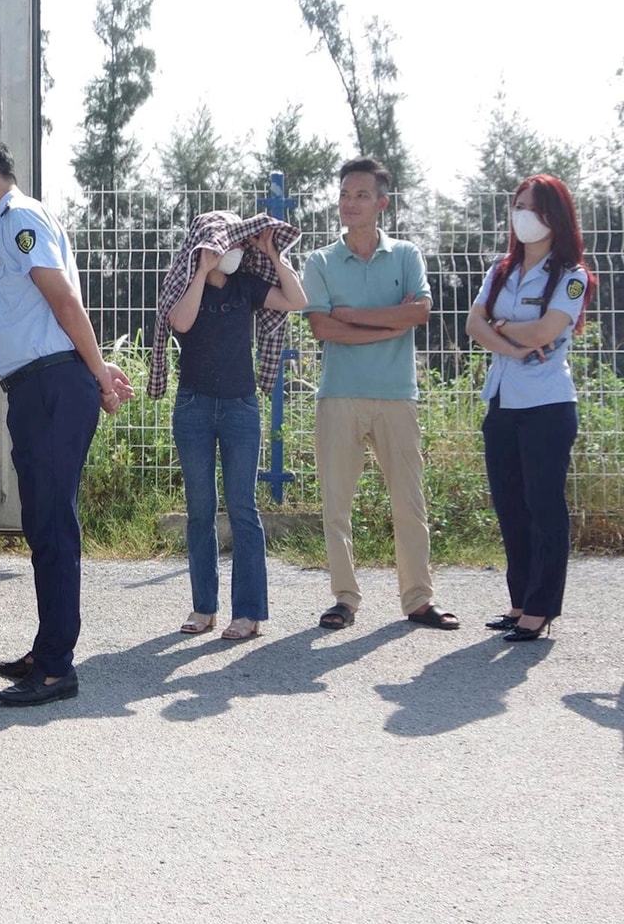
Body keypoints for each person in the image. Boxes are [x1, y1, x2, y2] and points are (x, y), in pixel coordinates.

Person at [0, 138, 134, 706]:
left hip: (53, 384)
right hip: (38, 386)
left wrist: (99, 372)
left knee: (53, 526)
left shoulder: (20, 218)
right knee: (42, 523)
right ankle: (47, 647)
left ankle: (56, 669)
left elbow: (63, 301)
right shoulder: (4, 225)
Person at [301, 157, 459, 631]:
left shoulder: (407, 255)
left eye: (362, 195)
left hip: (396, 395)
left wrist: (353, 317)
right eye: (345, 194)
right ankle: (344, 598)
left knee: (409, 502)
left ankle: (417, 599)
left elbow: (419, 314)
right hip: (339, 396)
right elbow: (322, 326)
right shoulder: (320, 261)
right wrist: (383, 321)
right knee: (336, 504)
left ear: (382, 203)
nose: (350, 203)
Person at [149, 211, 308, 640]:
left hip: (240, 407)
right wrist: (201, 268)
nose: (233, 251)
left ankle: (249, 613)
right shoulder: (185, 285)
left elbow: (296, 300)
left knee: (243, 509)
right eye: (226, 244)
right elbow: (180, 322)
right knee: (200, 511)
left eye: (237, 244)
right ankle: (204, 609)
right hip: (194, 407)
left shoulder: (247, 286)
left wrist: (272, 254)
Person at [464, 174, 593, 642]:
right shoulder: (501, 269)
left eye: (533, 208)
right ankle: (518, 603)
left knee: (544, 508)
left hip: (546, 406)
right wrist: (513, 342)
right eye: (518, 205)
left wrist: (500, 327)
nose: (522, 215)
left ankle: (541, 609)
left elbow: (548, 330)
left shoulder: (571, 275)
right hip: (502, 401)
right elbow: (472, 325)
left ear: (554, 217)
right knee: (510, 507)